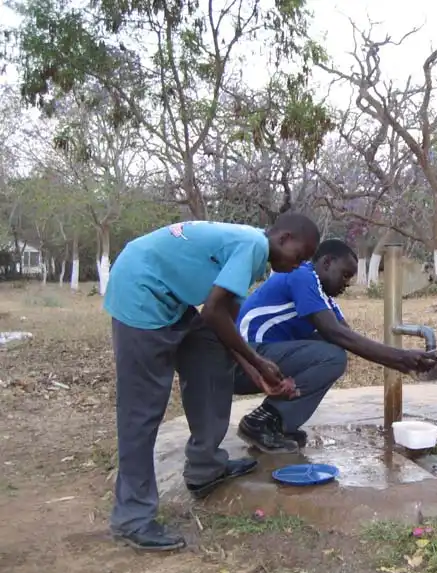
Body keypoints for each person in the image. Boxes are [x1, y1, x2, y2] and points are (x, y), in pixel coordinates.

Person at [104, 214, 320, 552]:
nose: (299, 265)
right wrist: (260, 360)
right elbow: (213, 313)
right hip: (140, 291)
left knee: (211, 353)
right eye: (300, 255)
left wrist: (256, 370)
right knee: (141, 409)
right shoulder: (252, 245)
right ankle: (132, 518)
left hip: (171, 296)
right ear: (284, 238)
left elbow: (224, 322)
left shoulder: (252, 251)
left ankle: (206, 466)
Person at [233, 239, 437, 452]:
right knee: (331, 356)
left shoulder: (322, 295)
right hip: (242, 360)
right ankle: (261, 421)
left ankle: (276, 424)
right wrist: (401, 358)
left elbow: (347, 335)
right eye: (345, 275)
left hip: (260, 357)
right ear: (327, 262)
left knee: (330, 348)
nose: (347, 284)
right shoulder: (302, 276)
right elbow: (335, 332)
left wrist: (402, 361)